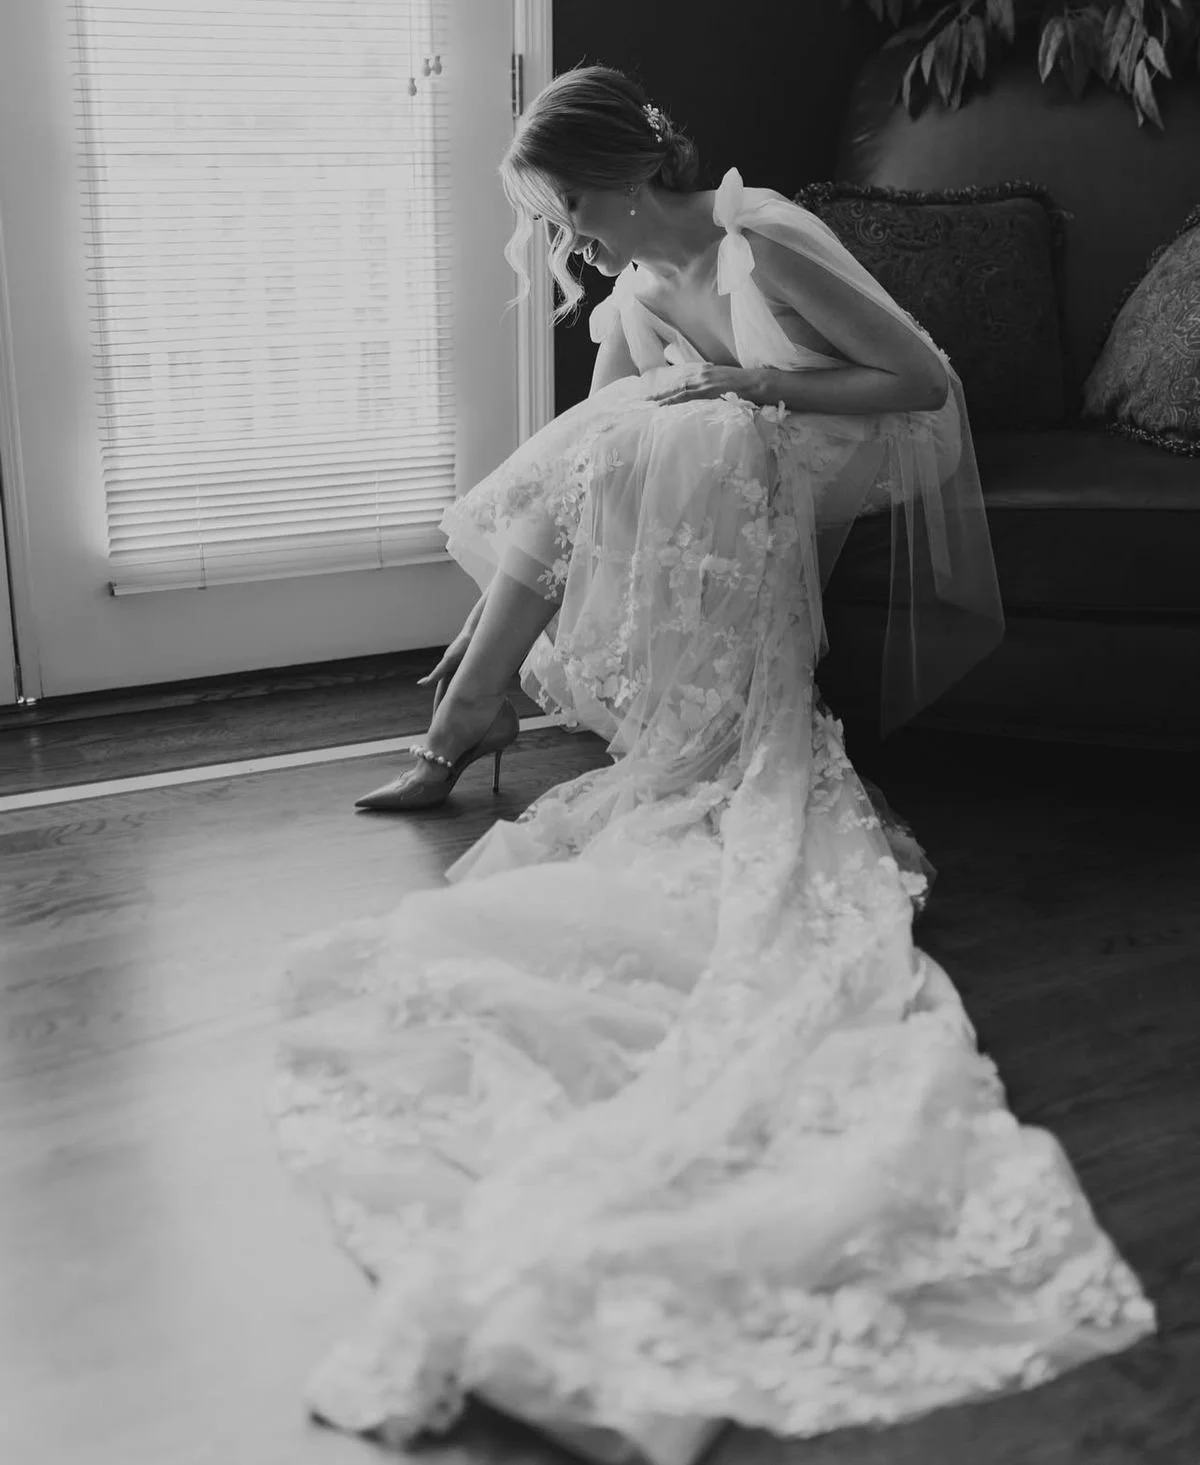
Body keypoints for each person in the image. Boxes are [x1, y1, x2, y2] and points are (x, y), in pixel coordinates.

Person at [270, 66, 1154, 1465]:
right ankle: (483, 694)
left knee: (688, 425)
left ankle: (469, 713)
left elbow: (921, 383)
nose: (570, 242)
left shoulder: (767, 237)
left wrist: (742, 377)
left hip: (859, 439)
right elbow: (589, 466)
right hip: (744, 446)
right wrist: (687, 412)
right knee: (618, 434)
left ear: (619, 177)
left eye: (565, 209)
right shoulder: (627, 293)